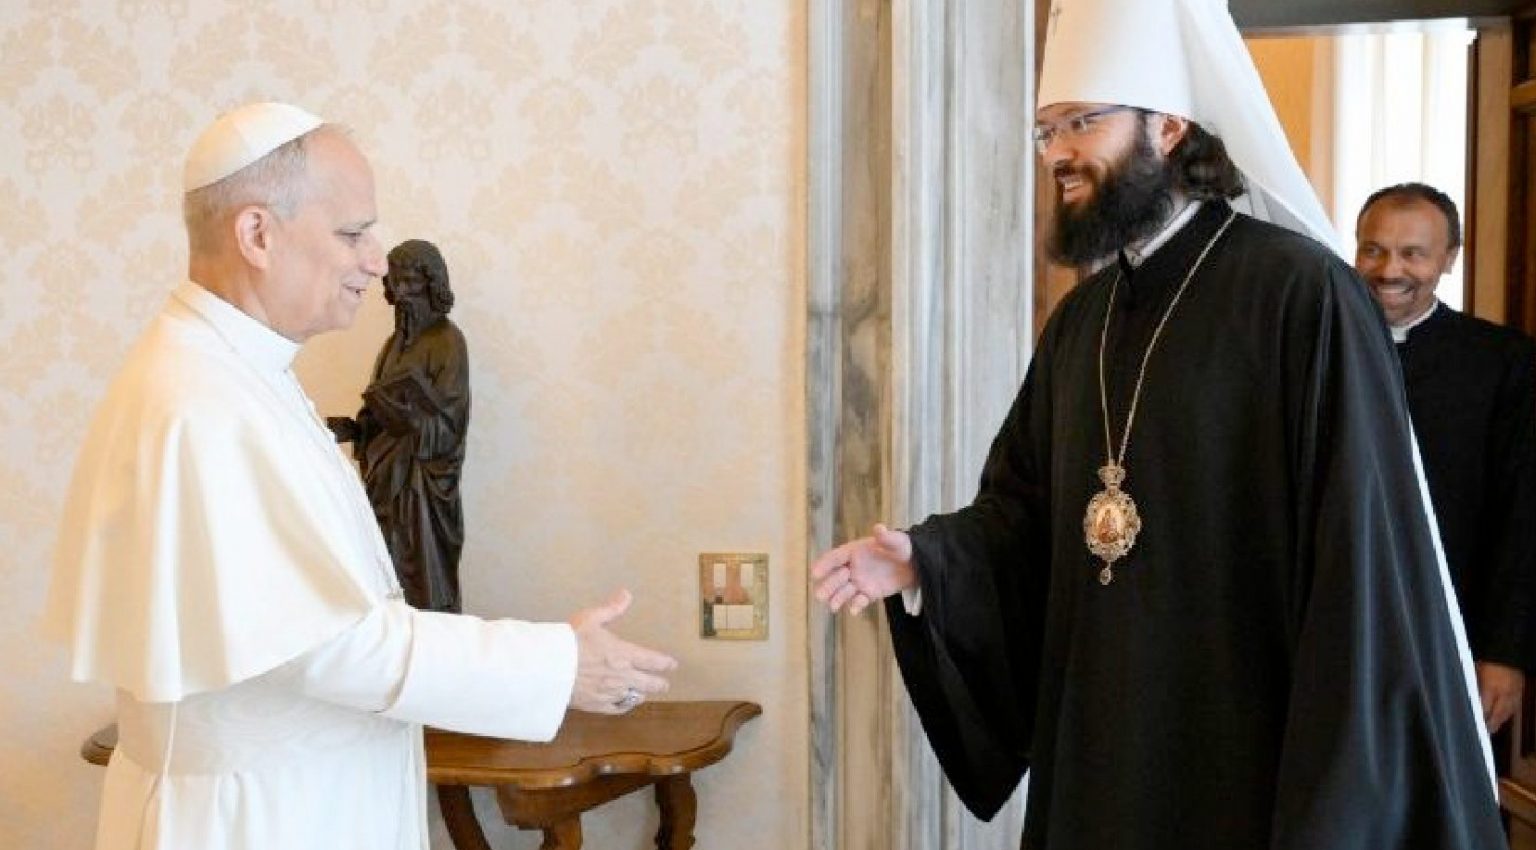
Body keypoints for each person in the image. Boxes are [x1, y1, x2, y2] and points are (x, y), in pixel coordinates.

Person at [811, 0, 1504, 847]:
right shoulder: (1083, 319)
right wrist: (927, 560)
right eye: (1046, 131)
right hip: (1103, 747)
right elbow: (1025, 512)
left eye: (1081, 122)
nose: (1057, 152)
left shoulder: (1302, 295)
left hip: (1247, 751)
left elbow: (1359, 559)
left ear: (1169, 127)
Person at [43, 102, 677, 850]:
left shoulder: (240, 372)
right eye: (352, 233)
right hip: (259, 823)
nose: (376, 261)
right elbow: (333, 645)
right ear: (257, 234)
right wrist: (552, 665)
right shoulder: (201, 401)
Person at [1355, 182, 1536, 744]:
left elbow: (1523, 514)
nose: (1389, 270)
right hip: (1344, 624)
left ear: (1449, 259)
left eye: (1413, 253)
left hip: (1455, 626)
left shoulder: (1502, 362)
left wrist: (1504, 652)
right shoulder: (1319, 345)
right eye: (1374, 249)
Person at [330, 238, 470, 613]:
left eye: (412, 282)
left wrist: (411, 419)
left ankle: (433, 642)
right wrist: (356, 429)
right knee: (385, 572)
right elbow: (377, 411)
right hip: (386, 480)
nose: (403, 293)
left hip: (422, 488)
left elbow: (450, 426)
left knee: (424, 580)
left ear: (432, 284)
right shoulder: (393, 345)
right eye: (397, 283)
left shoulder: (447, 342)